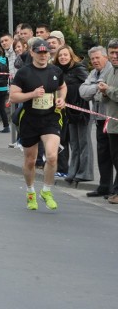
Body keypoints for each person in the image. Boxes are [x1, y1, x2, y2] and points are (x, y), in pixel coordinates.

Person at [10, 39, 67, 211]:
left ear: (49, 54)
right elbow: (13, 97)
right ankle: (30, 191)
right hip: (30, 119)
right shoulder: (24, 73)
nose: (43, 56)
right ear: (33, 53)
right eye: (39, 52)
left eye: (46, 52)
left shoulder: (56, 71)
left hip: (50, 118)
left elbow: (63, 87)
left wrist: (61, 99)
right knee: (30, 160)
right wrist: (32, 94)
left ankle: (47, 191)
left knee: (51, 156)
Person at [54, 45, 93, 184]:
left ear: (71, 56)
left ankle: (85, 173)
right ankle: (73, 172)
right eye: (60, 55)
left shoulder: (78, 69)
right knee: (74, 143)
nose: (63, 57)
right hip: (69, 111)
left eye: (65, 55)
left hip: (83, 110)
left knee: (84, 142)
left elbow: (89, 85)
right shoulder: (58, 71)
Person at [80, 46, 115, 198]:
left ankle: (115, 190)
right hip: (99, 119)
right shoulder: (94, 73)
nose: (94, 61)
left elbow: (104, 92)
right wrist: (98, 87)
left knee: (115, 155)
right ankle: (104, 186)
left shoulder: (111, 70)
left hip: (112, 118)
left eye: (97, 58)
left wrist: (101, 89)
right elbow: (83, 92)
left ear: (105, 57)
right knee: (103, 154)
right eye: (92, 58)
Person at [98, 40, 118, 204]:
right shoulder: (111, 72)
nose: (114, 56)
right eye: (111, 52)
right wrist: (103, 93)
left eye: (117, 52)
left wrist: (108, 90)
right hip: (112, 124)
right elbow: (100, 98)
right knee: (115, 158)